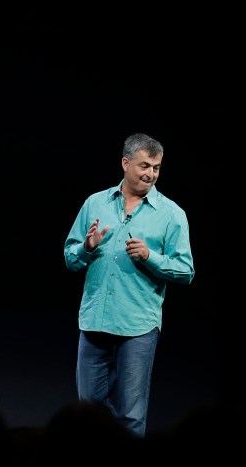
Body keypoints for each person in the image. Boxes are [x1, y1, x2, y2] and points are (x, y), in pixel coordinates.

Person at [63, 132, 194, 438]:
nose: (151, 173)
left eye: (157, 167)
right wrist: (87, 247)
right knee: (89, 407)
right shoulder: (95, 203)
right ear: (125, 163)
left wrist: (151, 257)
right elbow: (70, 258)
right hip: (95, 319)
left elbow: (186, 271)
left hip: (137, 325)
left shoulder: (171, 215)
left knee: (132, 414)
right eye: (145, 165)